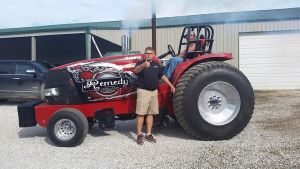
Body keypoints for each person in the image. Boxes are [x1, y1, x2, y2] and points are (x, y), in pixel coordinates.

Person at [134, 47, 175, 145]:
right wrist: (143, 65)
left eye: (150, 53)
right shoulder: (140, 63)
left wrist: (171, 85)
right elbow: (136, 70)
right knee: (140, 114)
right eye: (147, 53)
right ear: (144, 54)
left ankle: (148, 134)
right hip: (143, 91)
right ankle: (139, 135)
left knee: (150, 114)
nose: (148, 55)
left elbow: (162, 76)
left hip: (153, 92)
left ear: (154, 54)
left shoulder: (156, 64)